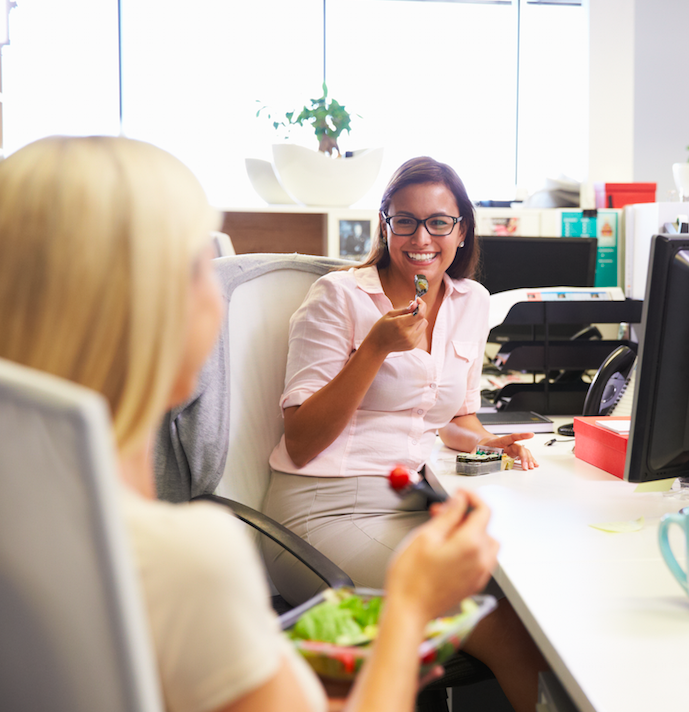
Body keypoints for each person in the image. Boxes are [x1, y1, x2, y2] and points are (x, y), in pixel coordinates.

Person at [0, 135, 500, 712]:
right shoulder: (186, 558)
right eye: (198, 268)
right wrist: (409, 607)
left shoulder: (39, 528)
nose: (221, 295)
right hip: (331, 508)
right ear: (144, 310)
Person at [262, 156, 548, 711]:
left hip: (408, 502)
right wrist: (373, 349)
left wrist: (490, 441)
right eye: (406, 221)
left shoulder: (473, 303)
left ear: (462, 230)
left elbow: (452, 419)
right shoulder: (338, 298)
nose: (423, 237)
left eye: (439, 222)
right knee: (502, 621)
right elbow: (300, 441)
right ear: (385, 225)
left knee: (527, 589)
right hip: (321, 513)